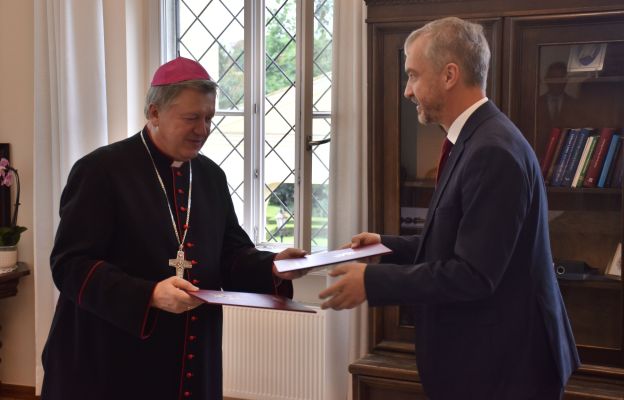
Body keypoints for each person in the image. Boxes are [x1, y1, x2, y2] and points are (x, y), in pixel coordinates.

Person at [319, 17, 579, 399]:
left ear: (449, 74)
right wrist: (384, 246)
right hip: (490, 361)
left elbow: (473, 274)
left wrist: (370, 283)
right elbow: (460, 241)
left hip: (506, 370)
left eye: (412, 75)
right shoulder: (477, 137)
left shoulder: (491, 150)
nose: (407, 91)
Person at [41, 57, 306, 400]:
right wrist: (148, 295)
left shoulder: (210, 176)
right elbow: (70, 265)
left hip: (191, 354)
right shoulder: (100, 171)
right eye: (191, 118)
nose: (203, 129)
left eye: (209, 117)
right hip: (111, 358)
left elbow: (230, 254)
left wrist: (273, 265)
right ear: (154, 113)